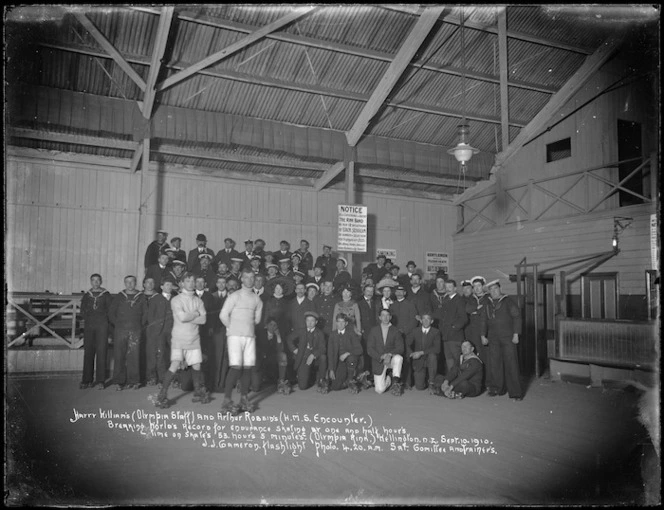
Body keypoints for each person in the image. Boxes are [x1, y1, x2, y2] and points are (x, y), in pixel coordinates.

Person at [155, 273, 210, 408]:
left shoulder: (198, 300)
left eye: (193, 280)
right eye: (188, 281)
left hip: (194, 338)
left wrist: (192, 316)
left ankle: (197, 392)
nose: (191, 283)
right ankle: (162, 394)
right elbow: (182, 318)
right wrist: (196, 314)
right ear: (181, 284)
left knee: (196, 365)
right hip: (179, 339)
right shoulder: (176, 300)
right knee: (174, 365)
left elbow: (204, 320)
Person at [220, 268, 264, 414]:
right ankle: (227, 399)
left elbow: (257, 320)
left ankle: (244, 398)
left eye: (253, 278)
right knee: (236, 367)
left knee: (248, 367)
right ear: (242, 279)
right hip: (235, 337)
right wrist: (232, 329)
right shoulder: (235, 296)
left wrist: (246, 328)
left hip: (250, 336)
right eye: (247, 277)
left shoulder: (257, 299)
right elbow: (223, 315)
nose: (250, 280)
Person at [480, 280, 523, 401]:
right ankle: (498, 388)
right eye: (491, 290)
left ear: (500, 289)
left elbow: (517, 317)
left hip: (508, 337)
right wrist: (483, 335)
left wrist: (516, 334)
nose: (493, 291)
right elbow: (483, 320)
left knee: (511, 364)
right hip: (493, 338)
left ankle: (515, 393)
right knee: (495, 364)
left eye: (495, 289)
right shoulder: (487, 303)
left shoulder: (508, 301)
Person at [108, 275, 147, 390]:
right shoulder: (120, 296)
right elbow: (111, 313)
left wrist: (139, 325)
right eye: (127, 282)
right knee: (119, 355)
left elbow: (145, 313)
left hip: (135, 329)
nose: (130, 284)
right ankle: (119, 381)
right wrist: (119, 324)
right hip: (121, 330)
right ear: (124, 283)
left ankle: (134, 380)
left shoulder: (141, 297)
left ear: (135, 283)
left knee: (134, 355)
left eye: (132, 282)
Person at [80, 273, 112, 389]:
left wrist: (106, 326)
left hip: (102, 327)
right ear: (91, 282)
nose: (96, 282)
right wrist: (89, 319)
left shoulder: (106, 295)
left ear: (101, 281)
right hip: (89, 327)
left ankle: (100, 381)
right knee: (88, 352)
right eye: (93, 280)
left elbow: (110, 312)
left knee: (102, 352)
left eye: (98, 280)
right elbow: (82, 310)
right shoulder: (87, 296)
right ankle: (86, 380)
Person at [286, 311, 327, 392]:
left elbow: (323, 348)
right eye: (308, 320)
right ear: (305, 321)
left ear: (316, 322)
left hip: (315, 358)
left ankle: (322, 380)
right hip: (303, 357)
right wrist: (294, 349)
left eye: (312, 321)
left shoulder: (320, 333)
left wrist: (313, 355)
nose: (310, 323)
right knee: (302, 386)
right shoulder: (301, 331)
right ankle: (308, 377)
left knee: (323, 357)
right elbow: (289, 339)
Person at [145, 277, 175, 387]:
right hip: (159, 332)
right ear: (162, 287)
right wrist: (154, 331)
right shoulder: (155, 299)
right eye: (167, 285)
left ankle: (174, 378)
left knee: (174, 355)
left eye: (171, 285)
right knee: (160, 355)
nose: (169, 287)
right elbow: (150, 317)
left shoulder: (176, 299)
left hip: (173, 331)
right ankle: (161, 379)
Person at [367, 308, 404, 396]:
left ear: (390, 317)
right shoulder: (374, 330)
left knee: (399, 358)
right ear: (379, 317)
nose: (385, 318)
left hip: (391, 359)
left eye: (387, 315)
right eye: (383, 315)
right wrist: (381, 357)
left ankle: (396, 382)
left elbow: (400, 348)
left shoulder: (395, 330)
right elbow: (370, 349)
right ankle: (389, 379)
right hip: (379, 361)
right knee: (379, 390)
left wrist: (389, 354)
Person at [405, 312, 441, 394]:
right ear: (420, 321)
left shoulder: (436, 332)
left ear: (431, 321)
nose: (425, 321)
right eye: (423, 319)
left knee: (432, 356)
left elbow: (437, 348)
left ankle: (431, 382)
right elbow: (407, 343)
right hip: (419, 361)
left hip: (430, 359)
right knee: (419, 387)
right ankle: (425, 378)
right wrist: (411, 353)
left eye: (428, 319)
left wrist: (421, 353)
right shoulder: (415, 331)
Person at [327, 314, 364, 393]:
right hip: (339, 362)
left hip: (350, 360)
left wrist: (348, 353)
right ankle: (349, 381)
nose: (340, 324)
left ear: (346, 323)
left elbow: (359, 349)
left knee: (351, 358)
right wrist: (331, 369)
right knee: (335, 386)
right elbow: (330, 353)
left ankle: (351, 380)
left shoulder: (351, 333)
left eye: (342, 322)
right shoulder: (332, 335)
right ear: (336, 323)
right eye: (338, 322)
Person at [440, 279, 468, 375]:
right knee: (449, 360)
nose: (448, 289)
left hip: (455, 337)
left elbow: (463, 318)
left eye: (450, 287)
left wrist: (453, 328)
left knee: (457, 361)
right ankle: (451, 381)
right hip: (446, 336)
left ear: (455, 288)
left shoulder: (459, 300)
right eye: (446, 287)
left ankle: (458, 382)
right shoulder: (446, 299)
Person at [209, 276, 229, 392]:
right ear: (216, 284)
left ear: (226, 284)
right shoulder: (212, 296)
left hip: (228, 330)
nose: (221, 285)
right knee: (217, 357)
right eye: (219, 283)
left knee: (226, 357)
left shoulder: (230, 297)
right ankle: (215, 383)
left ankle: (222, 383)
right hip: (216, 331)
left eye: (223, 283)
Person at [357, 282, 379, 387]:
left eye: (371, 291)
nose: (370, 293)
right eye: (368, 291)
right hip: (364, 332)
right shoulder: (359, 303)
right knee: (365, 355)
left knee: (374, 354)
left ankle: (372, 377)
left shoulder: (376, 302)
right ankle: (364, 377)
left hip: (374, 332)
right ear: (364, 291)